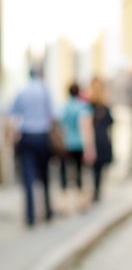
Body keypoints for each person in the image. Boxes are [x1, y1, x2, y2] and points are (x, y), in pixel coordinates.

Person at [7, 66, 56, 226]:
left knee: (28, 178)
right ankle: (47, 210)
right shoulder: (45, 90)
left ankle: (30, 215)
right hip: (42, 136)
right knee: (45, 176)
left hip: (26, 137)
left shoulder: (22, 90)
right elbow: (54, 114)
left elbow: (11, 111)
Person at [59, 81, 95, 212]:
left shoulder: (64, 106)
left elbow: (60, 126)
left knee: (65, 173)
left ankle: (65, 203)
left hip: (66, 143)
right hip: (79, 143)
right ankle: (81, 201)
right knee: (79, 172)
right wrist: (90, 147)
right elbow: (86, 127)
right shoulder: (83, 107)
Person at [88, 76, 114, 202]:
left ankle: (95, 190)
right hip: (103, 139)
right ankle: (97, 190)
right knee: (100, 168)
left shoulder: (89, 106)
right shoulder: (104, 107)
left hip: (94, 138)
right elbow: (111, 123)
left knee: (94, 169)